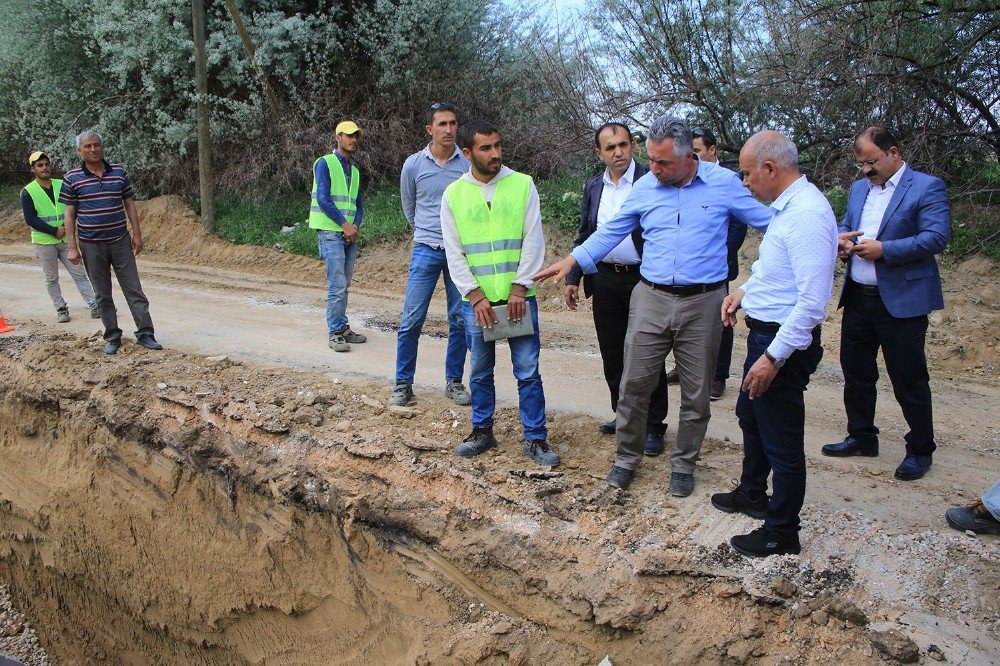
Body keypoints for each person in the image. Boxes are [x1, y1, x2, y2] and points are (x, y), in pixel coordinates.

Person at [533, 115, 771, 495]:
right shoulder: (645, 187)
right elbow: (610, 231)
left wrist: (819, 232)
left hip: (705, 302)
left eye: (663, 163)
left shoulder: (724, 184)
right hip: (650, 297)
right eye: (653, 160)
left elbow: (770, 223)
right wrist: (574, 260)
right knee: (633, 384)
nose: (655, 169)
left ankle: (683, 465)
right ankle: (626, 458)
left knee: (695, 393)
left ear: (690, 156)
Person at [710, 130, 836, 557]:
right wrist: (743, 292)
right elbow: (770, 267)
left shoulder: (807, 216)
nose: (744, 183)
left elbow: (812, 305)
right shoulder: (787, 209)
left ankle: (782, 531)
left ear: (769, 169)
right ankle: (751, 492)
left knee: (782, 440)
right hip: (765, 333)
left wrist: (773, 358)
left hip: (782, 343)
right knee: (750, 415)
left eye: (746, 174)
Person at [821, 127, 950, 481]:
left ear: (893, 152)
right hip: (859, 297)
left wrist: (884, 250)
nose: (866, 170)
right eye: (861, 163)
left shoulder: (927, 186)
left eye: (871, 162)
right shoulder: (859, 188)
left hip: (903, 303)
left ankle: (921, 449)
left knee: (908, 378)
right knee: (857, 372)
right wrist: (843, 241)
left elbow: (937, 236)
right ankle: (862, 436)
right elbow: (848, 224)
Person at [441, 119, 559, 468]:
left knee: (527, 371)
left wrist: (521, 287)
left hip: (518, 299)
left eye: (497, 146)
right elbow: (454, 251)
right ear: (467, 153)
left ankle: (536, 439)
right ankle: (482, 431)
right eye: (485, 148)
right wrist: (475, 295)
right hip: (477, 303)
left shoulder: (522, 185)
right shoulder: (454, 195)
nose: (495, 153)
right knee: (479, 371)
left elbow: (533, 239)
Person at [564, 122, 668, 452]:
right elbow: (585, 235)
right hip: (605, 278)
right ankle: (623, 415)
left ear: (633, 146)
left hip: (644, 278)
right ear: (599, 153)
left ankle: (653, 424)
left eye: (623, 144)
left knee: (648, 352)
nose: (618, 152)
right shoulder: (594, 186)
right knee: (612, 350)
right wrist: (573, 276)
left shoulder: (652, 182)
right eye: (610, 148)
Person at [390, 102, 471, 406]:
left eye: (453, 123)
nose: (449, 129)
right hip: (425, 249)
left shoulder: (466, 164)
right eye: (442, 124)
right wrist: (424, 232)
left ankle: (454, 382)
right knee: (412, 319)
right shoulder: (413, 164)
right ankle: (402, 383)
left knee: (460, 320)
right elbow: (409, 206)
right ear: (429, 129)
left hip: (458, 254)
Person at [666, 127, 748, 400]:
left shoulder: (728, 180)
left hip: (715, 268)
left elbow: (738, 225)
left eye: (697, 151)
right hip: (685, 268)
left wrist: (718, 254)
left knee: (721, 319)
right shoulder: (680, 180)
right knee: (682, 320)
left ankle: (717, 376)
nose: (691, 157)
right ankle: (683, 367)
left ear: (712, 150)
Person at [63, 131, 162, 355]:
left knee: (134, 289)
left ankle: (145, 333)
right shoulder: (72, 178)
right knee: (102, 293)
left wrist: (137, 234)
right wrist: (72, 246)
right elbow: (69, 214)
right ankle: (112, 336)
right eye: (87, 146)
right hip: (91, 244)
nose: (93, 150)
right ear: (80, 151)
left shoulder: (118, 173)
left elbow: (129, 204)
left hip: (120, 241)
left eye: (96, 145)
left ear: (103, 147)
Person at [310, 120, 368, 353]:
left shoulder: (354, 170)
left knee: (344, 284)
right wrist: (345, 225)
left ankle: (342, 328)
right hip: (331, 232)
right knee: (337, 284)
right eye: (348, 135)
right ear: (338, 138)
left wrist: (353, 226)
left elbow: (358, 204)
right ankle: (335, 332)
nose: (353, 139)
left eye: (356, 136)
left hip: (346, 234)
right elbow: (323, 199)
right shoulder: (324, 163)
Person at [21, 150, 98, 323]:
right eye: (40, 165)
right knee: (51, 278)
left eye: (47, 164)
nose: (45, 168)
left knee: (79, 273)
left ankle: (94, 304)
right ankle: (61, 308)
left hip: (65, 240)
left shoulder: (61, 184)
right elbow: (30, 218)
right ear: (33, 169)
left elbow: (72, 207)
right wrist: (53, 231)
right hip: (44, 242)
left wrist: (67, 228)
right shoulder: (28, 191)